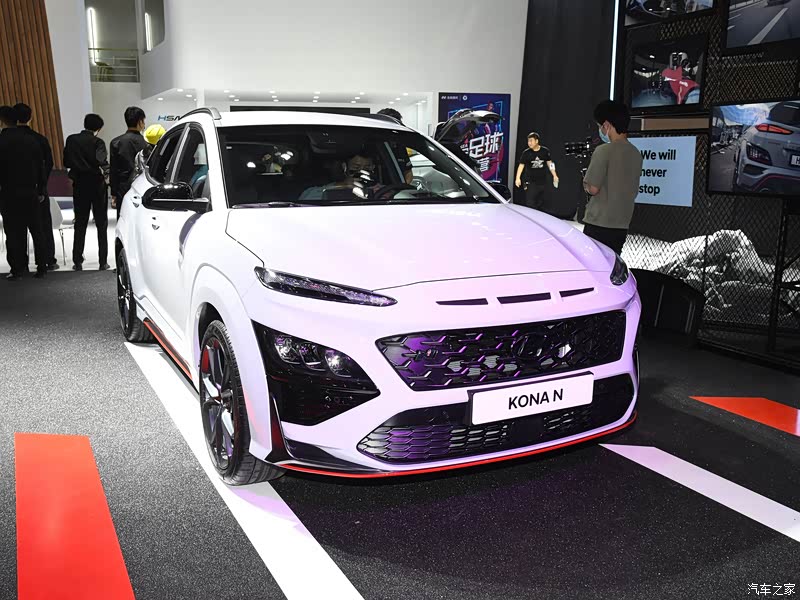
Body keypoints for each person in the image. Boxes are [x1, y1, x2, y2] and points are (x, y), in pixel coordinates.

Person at [582, 100, 643, 255]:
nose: (600, 130)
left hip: (598, 223)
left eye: (600, 126)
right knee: (613, 263)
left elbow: (593, 188)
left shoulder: (603, 151)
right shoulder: (635, 153)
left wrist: (585, 183)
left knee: (594, 263)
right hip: (621, 224)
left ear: (607, 125)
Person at [0, 105, 48, 280]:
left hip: (8, 193)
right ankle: (42, 267)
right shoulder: (32, 140)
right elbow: (41, 166)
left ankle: (18, 269)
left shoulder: (1, 141)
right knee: (37, 230)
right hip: (30, 191)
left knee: (13, 232)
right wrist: (41, 189)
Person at [14, 102, 58, 271]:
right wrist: (42, 184)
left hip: (14, 191)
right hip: (37, 189)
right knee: (43, 226)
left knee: (17, 229)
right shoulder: (39, 139)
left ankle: (20, 264)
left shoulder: (7, 140)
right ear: (31, 117)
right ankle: (48, 260)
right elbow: (49, 163)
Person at [64, 113, 110, 271]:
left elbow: (66, 162)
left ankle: (77, 261)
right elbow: (101, 161)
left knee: (80, 223)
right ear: (98, 128)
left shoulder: (71, 140)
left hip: (79, 185)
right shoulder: (98, 142)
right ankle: (102, 261)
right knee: (101, 223)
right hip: (97, 185)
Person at [110, 106, 148, 219]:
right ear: (140, 122)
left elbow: (113, 170)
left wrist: (113, 193)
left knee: (123, 218)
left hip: (123, 188)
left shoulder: (116, 142)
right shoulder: (146, 143)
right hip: (143, 187)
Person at [515, 132, 559, 211]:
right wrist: (517, 178)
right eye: (528, 141)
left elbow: (550, 163)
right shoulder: (526, 153)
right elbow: (521, 166)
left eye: (531, 141)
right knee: (530, 203)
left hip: (543, 181)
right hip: (530, 182)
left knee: (542, 203)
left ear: (537, 141)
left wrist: (555, 175)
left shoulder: (545, 151)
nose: (529, 143)